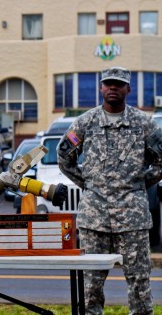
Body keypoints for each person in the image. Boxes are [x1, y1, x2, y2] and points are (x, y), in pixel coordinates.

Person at [57, 66, 162, 315]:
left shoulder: (144, 124)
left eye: (118, 84)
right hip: (95, 217)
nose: (113, 88)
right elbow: (64, 158)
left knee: (139, 282)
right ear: (101, 88)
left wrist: (137, 184)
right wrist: (91, 184)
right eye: (108, 83)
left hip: (132, 217)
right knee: (91, 284)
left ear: (128, 88)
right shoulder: (85, 122)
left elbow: (161, 161)